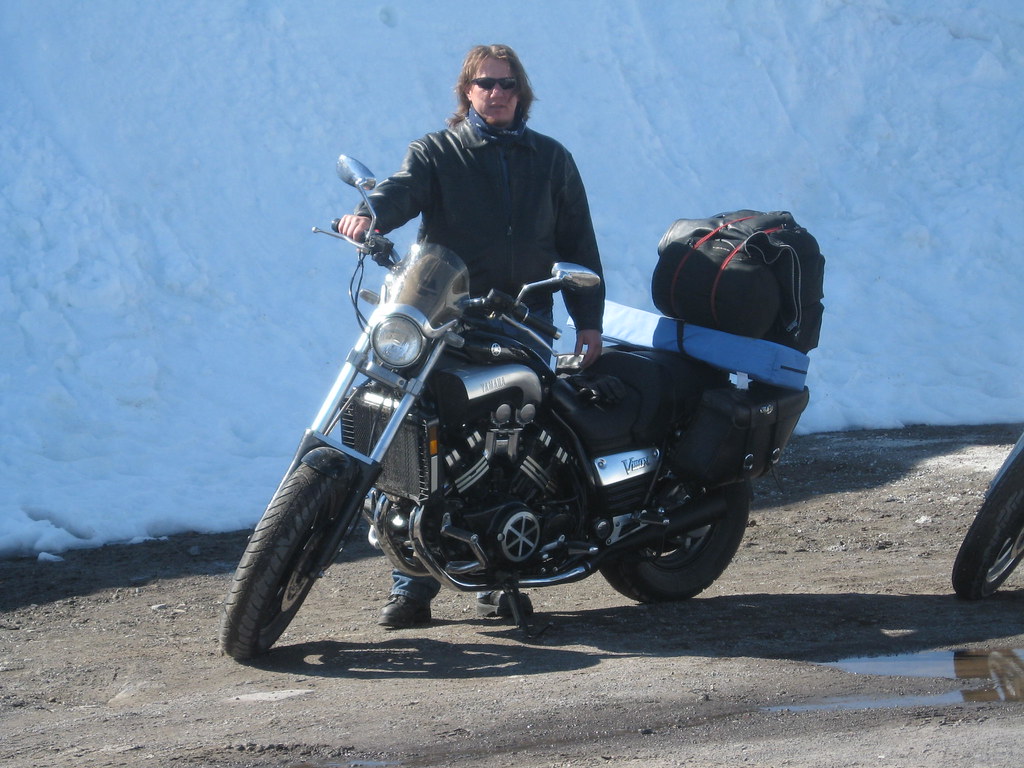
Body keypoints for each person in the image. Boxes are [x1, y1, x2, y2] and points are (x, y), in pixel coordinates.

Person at [337, 43, 605, 628]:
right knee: (415, 433)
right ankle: (410, 583)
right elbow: (400, 192)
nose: (498, 93)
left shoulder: (553, 161)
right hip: (446, 316)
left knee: (509, 439)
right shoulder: (438, 151)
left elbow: (579, 245)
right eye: (486, 83)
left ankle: (497, 575)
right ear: (467, 92)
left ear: (521, 91)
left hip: (524, 320)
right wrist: (370, 217)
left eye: (508, 84)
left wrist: (589, 322)